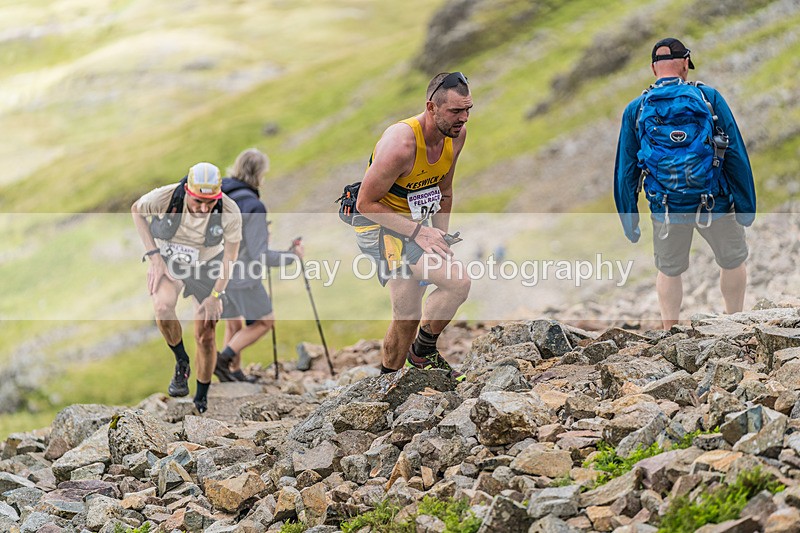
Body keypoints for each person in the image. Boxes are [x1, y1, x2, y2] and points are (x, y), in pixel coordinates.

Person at [614, 38, 756, 329]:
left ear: (654, 68)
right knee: (732, 261)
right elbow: (734, 152)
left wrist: (629, 219)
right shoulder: (709, 98)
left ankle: (670, 331)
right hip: (713, 200)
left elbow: (626, 169)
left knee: (669, 270)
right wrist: (746, 206)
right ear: (685, 65)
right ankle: (736, 321)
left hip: (667, 206)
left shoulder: (637, 109)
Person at [354, 71, 473, 379]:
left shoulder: (455, 136)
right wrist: (421, 232)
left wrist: (441, 235)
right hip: (380, 226)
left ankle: (386, 384)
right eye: (456, 111)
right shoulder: (401, 144)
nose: (464, 119)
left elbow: (444, 191)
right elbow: (365, 204)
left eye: (468, 109)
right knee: (458, 281)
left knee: (406, 316)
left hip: (415, 226)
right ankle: (423, 353)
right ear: (431, 108)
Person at [131, 162, 242, 413]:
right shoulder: (167, 196)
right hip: (171, 258)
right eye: (197, 202)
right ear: (188, 191)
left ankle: (201, 398)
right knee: (162, 306)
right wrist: (154, 257)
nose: (204, 209)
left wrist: (216, 295)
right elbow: (136, 209)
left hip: (207, 264)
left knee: (206, 334)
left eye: (210, 203)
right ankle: (182, 361)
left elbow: (230, 257)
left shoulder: (230, 211)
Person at [215, 148, 304, 382]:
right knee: (265, 321)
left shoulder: (222, 195)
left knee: (233, 325)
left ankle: (232, 374)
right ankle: (222, 361)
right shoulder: (253, 205)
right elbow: (259, 255)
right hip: (242, 276)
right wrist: (292, 256)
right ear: (259, 174)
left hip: (217, 272)